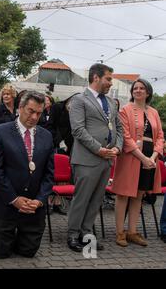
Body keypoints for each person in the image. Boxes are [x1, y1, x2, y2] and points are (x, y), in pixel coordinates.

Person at [0, 91, 53, 258]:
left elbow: (49, 174)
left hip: (32, 205)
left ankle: (9, 230)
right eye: (31, 111)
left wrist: (40, 200)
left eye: (39, 113)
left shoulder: (47, 136)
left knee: (27, 252)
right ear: (20, 108)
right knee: (1, 253)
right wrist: (14, 199)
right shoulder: (0, 131)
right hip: (6, 202)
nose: (35, 117)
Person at [67, 63, 123, 252]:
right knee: (82, 198)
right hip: (87, 159)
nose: (110, 83)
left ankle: (86, 233)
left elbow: (119, 128)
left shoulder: (110, 102)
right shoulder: (79, 100)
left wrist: (117, 147)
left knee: (97, 199)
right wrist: (98, 149)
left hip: (106, 159)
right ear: (96, 77)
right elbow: (78, 129)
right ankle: (73, 235)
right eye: (108, 78)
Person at [111, 79, 164, 247]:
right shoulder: (125, 110)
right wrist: (143, 158)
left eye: (142, 88)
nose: (138, 90)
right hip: (131, 157)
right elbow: (125, 137)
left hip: (150, 157)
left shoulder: (154, 112)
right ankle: (120, 232)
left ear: (148, 92)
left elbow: (161, 136)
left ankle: (132, 232)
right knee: (124, 194)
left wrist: (153, 157)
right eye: (135, 88)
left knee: (139, 194)